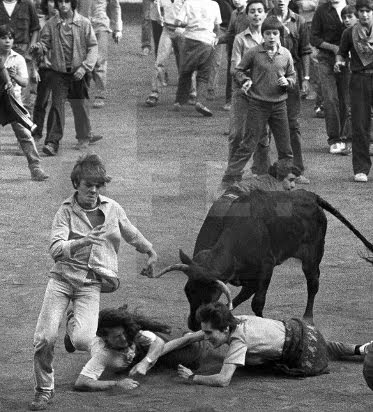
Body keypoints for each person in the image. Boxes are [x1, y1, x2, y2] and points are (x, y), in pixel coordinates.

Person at [29, 154, 158, 410]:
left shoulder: (112, 208)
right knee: (44, 338)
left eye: (99, 185)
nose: (94, 190)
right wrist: (82, 241)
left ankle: (71, 322)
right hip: (62, 280)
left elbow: (129, 232)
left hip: (91, 284)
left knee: (81, 341)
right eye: (89, 185)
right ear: (77, 183)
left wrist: (149, 251)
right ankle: (44, 390)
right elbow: (55, 249)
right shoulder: (65, 212)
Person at [174, 302, 371, 386]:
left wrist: (193, 378)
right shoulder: (236, 318)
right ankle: (360, 349)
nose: (206, 337)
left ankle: (361, 350)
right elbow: (190, 337)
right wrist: (153, 356)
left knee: (253, 361)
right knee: (323, 344)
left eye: (209, 333)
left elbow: (223, 380)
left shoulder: (238, 341)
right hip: (306, 331)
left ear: (224, 329)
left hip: (306, 354)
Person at [221, 16, 295, 187]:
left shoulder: (285, 54)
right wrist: (245, 80)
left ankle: (280, 180)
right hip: (258, 105)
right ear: (263, 35)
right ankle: (230, 178)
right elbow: (238, 70)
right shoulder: (254, 52)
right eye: (267, 33)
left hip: (279, 106)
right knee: (248, 144)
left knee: (285, 149)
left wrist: (288, 82)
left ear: (279, 35)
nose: (271, 37)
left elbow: (292, 75)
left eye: (275, 33)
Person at [74, 305, 203, 392]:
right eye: (117, 337)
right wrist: (117, 384)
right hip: (91, 341)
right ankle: (71, 322)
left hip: (141, 353)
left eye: (124, 333)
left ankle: (191, 337)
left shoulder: (132, 332)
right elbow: (81, 382)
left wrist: (145, 363)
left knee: (191, 355)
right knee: (79, 339)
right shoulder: (103, 354)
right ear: (106, 338)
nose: (124, 339)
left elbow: (158, 343)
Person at [32, 0, 99, 156]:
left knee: (80, 105)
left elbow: (93, 47)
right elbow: (45, 43)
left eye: (66, 1)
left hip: (78, 72)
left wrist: (85, 67)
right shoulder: (51, 24)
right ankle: (52, 142)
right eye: (60, 1)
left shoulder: (84, 23)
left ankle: (83, 136)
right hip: (59, 72)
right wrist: (39, 48)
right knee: (57, 106)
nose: (63, 5)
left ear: (72, 3)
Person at [260, 0, 312, 184]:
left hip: (291, 77)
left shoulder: (298, 21)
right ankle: (263, 172)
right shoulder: (263, 17)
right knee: (263, 127)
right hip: (266, 76)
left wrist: (305, 78)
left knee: (292, 124)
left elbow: (305, 50)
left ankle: (295, 171)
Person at [225, 0, 270, 177]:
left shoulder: (272, 36)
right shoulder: (240, 39)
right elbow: (234, 68)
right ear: (247, 14)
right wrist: (245, 79)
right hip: (242, 93)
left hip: (265, 95)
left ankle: (261, 175)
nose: (256, 15)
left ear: (265, 14)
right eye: (252, 11)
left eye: (260, 11)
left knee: (262, 136)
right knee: (237, 135)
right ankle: (232, 176)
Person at [0, 24, 48, 181]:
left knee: (25, 134)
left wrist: (14, 77)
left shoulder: (18, 59)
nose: (7, 41)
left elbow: (25, 83)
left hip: (14, 101)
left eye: (10, 38)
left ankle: (35, 167)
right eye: (3, 38)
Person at [335, 0, 373, 182]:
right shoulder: (349, 32)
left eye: (368, 11)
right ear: (357, 13)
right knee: (359, 124)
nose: (365, 15)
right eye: (362, 11)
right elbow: (341, 52)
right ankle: (361, 169)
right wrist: (339, 61)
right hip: (360, 79)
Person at [311, 0, 351, 154]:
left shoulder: (351, 7)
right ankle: (334, 139)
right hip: (326, 60)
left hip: (348, 61)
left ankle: (346, 138)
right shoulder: (321, 10)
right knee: (330, 98)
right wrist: (333, 48)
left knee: (346, 100)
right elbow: (314, 38)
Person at [174, 0, 222, 117]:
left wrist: (188, 24)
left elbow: (177, 22)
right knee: (204, 75)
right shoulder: (214, 5)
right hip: (207, 41)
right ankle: (200, 101)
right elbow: (217, 26)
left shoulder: (188, 3)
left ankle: (179, 101)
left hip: (190, 40)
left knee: (185, 71)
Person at [77, 0, 123, 109]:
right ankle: (82, 90)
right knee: (81, 57)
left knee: (100, 60)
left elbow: (115, 6)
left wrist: (118, 29)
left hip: (101, 25)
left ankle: (100, 94)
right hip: (82, 25)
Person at [0, 0, 40, 110]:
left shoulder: (27, 4)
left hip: (23, 52)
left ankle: (26, 124)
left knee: (26, 96)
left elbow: (35, 28)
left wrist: (30, 49)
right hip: (1, 54)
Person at [144, 0, 185, 107]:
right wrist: (159, 16)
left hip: (182, 31)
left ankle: (191, 91)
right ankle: (154, 92)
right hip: (167, 30)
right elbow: (156, 5)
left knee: (185, 63)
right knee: (160, 61)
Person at [31, 0, 56, 142]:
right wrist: (35, 67)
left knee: (57, 105)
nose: (55, 6)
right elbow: (34, 47)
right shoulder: (41, 23)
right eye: (51, 1)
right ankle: (36, 133)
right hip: (45, 69)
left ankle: (52, 139)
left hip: (62, 69)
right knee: (41, 102)